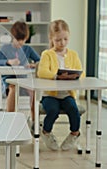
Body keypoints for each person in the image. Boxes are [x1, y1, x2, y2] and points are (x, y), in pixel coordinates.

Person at [37, 19, 85, 151]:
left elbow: (82, 72)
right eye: (58, 40)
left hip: (67, 94)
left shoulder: (73, 55)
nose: (62, 43)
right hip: (50, 95)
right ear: (51, 38)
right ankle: (46, 132)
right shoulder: (47, 54)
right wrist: (56, 76)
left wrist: (73, 76)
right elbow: (42, 72)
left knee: (73, 110)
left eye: (65, 39)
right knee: (53, 110)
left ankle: (74, 134)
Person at [0, 21, 40, 121]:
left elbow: (40, 61)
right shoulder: (5, 48)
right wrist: (8, 61)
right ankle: (10, 119)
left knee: (33, 91)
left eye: (23, 40)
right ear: (12, 36)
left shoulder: (28, 49)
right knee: (13, 88)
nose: (20, 42)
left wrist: (33, 64)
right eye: (18, 39)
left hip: (23, 79)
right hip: (9, 79)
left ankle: (34, 120)